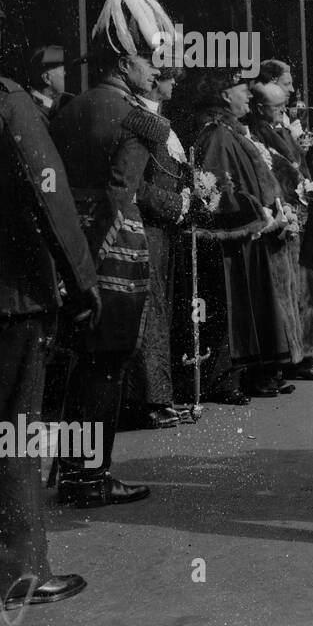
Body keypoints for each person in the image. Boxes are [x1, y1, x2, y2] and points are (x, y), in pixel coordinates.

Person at [48, 0, 172, 508]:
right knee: (108, 367)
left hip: (66, 253)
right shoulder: (140, 120)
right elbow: (122, 198)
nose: (158, 69)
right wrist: (93, 274)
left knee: (78, 367)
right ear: (125, 61)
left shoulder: (69, 110)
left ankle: (70, 467)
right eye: (150, 58)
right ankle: (91, 477)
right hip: (113, 259)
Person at [1, 74, 99, 609]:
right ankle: (22, 573)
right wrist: (83, 280)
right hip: (12, 298)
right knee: (15, 434)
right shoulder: (10, 103)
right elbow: (50, 196)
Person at [176, 67, 299, 406]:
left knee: (251, 305)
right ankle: (226, 379)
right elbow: (214, 191)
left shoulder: (231, 131)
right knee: (233, 307)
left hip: (254, 232)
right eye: (242, 89)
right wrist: (260, 213)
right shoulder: (216, 134)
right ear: (225, 95)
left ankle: (254, 372)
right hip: (236, 238)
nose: (248, 94)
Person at [122, 66, 195, 430]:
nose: (174, 84)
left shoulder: (159, 121)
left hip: (162, 231)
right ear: (155, 81)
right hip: (146, 228)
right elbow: (135, 184)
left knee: (160, 310)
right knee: (148, 311)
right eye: (170, 78)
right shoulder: (139, 119)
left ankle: (161, 395)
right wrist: (176, 204)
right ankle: (149, 400)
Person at [246, 79, 313, 382]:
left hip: (300, 216)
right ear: (259, 107)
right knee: (290, 291)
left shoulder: (280, 130)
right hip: (285, 217)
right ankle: (293, 356)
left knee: (305, 291)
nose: (283, 112)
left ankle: (305, 355)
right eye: (276, 107)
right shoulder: (256, 134)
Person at [25, 43, 79, 125]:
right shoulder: (33, 112)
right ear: (47, 78)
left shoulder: (35, 105)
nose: (66, 73)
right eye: (63, 69)